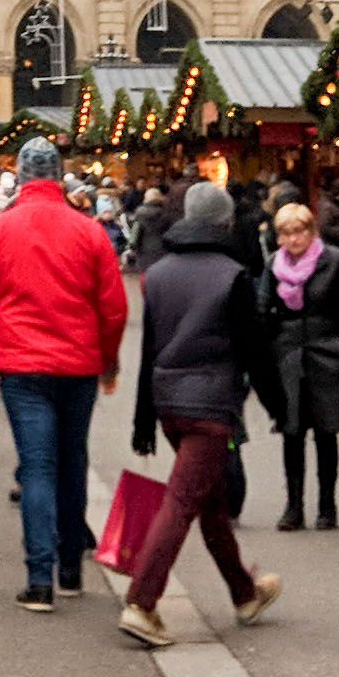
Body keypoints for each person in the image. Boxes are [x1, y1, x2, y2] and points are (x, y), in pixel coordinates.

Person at [0, 137, 126, 609]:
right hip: (77, 362)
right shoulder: (90, 231)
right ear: (58, 176)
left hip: (21, 362)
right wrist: (108, 360)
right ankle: (72, 566)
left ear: (20, 175)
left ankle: (39, 579)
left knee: (37, 466)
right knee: (73, 458)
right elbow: (113, 307)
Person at [119, 181, 281, 648]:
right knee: (184, 501)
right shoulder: (233, 275)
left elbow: (149, 349)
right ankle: (142, 602)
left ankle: (244, 592)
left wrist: (143, 421)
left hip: (169, 402)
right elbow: (255, 351)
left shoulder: (160, 273)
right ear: (226, 222)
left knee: (208, 501)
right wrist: (278, 407)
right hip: (212, 404)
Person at [258, 200, 339, 534]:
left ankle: (327, 506)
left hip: (327, 353)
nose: (292, 240)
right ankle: (293, 506)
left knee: (325, 432)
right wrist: (270, 350)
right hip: (288, 356)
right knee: (292, 432)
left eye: (298, 231)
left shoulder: (335, 261)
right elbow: (263, 309)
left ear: (311, 231)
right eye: (286, 233)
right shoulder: (274, 264)